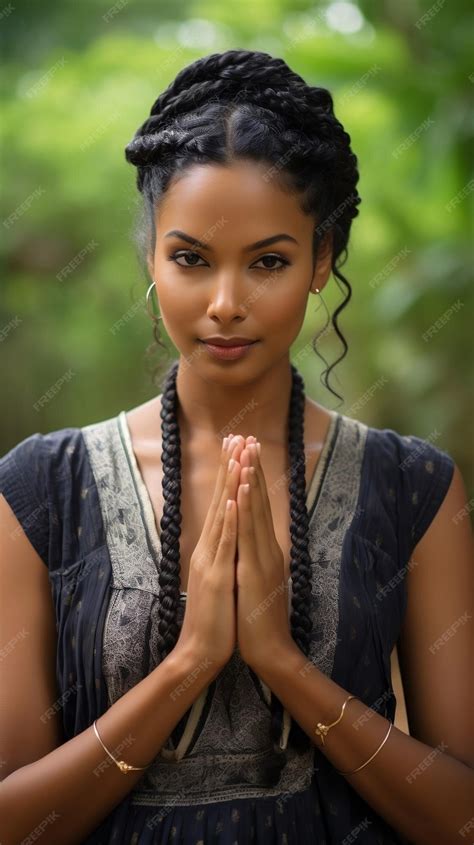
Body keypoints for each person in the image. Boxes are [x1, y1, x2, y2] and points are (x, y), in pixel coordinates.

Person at [0, 48, 472, 845]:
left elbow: (459, 816)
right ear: (150, 255)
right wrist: (189, 663)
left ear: (323, 261)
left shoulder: (415, 488)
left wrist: (283, 663)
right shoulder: (38, 489)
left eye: (269, 262)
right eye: (190, 258)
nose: (225, 303)